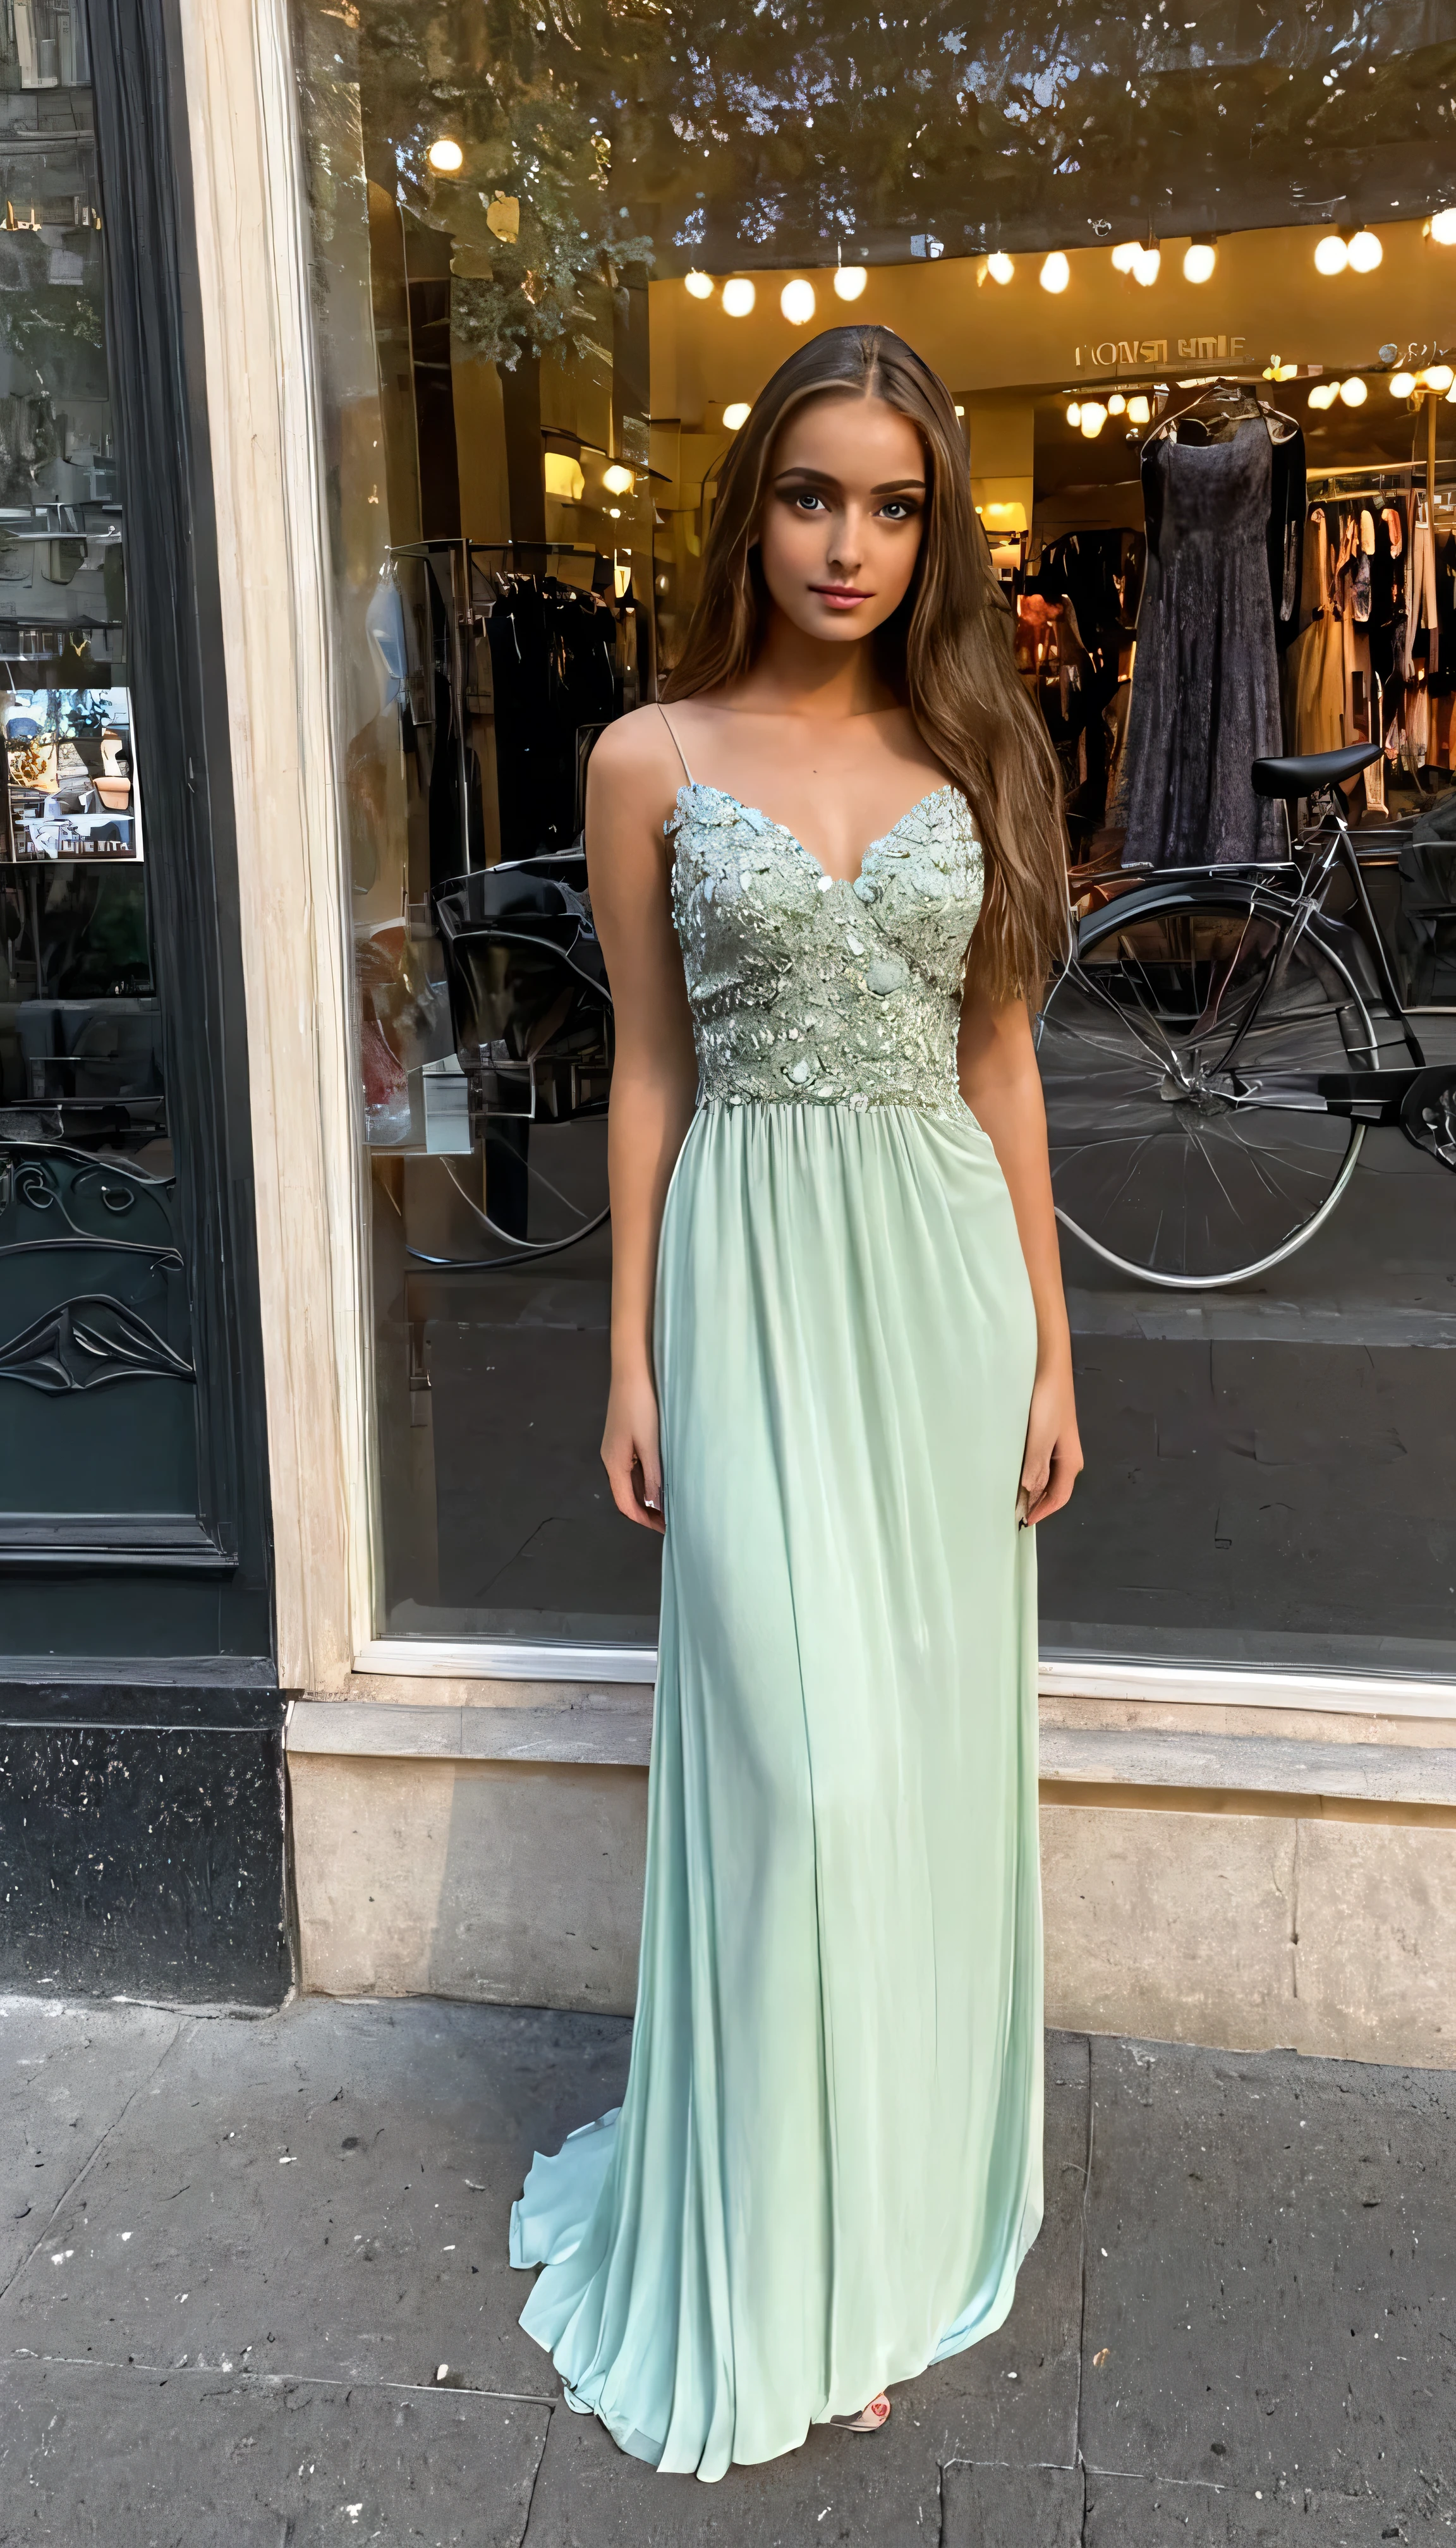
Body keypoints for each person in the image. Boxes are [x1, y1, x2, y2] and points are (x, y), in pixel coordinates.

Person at [509, 322, 1083, 2480]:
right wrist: (630, 1344)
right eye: (813, 493)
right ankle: (780, 2228)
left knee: (913, 1772)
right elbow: (648, 1064)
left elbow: (999, 1065)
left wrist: (1052, 1342)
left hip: (935, 1292)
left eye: (896, 504)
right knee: (796, 1770)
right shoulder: (651, 755)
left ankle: (899, 2208)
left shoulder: (978, 753)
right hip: (750, 1284)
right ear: (752, 505)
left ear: (931, 533)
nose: (851, 542)